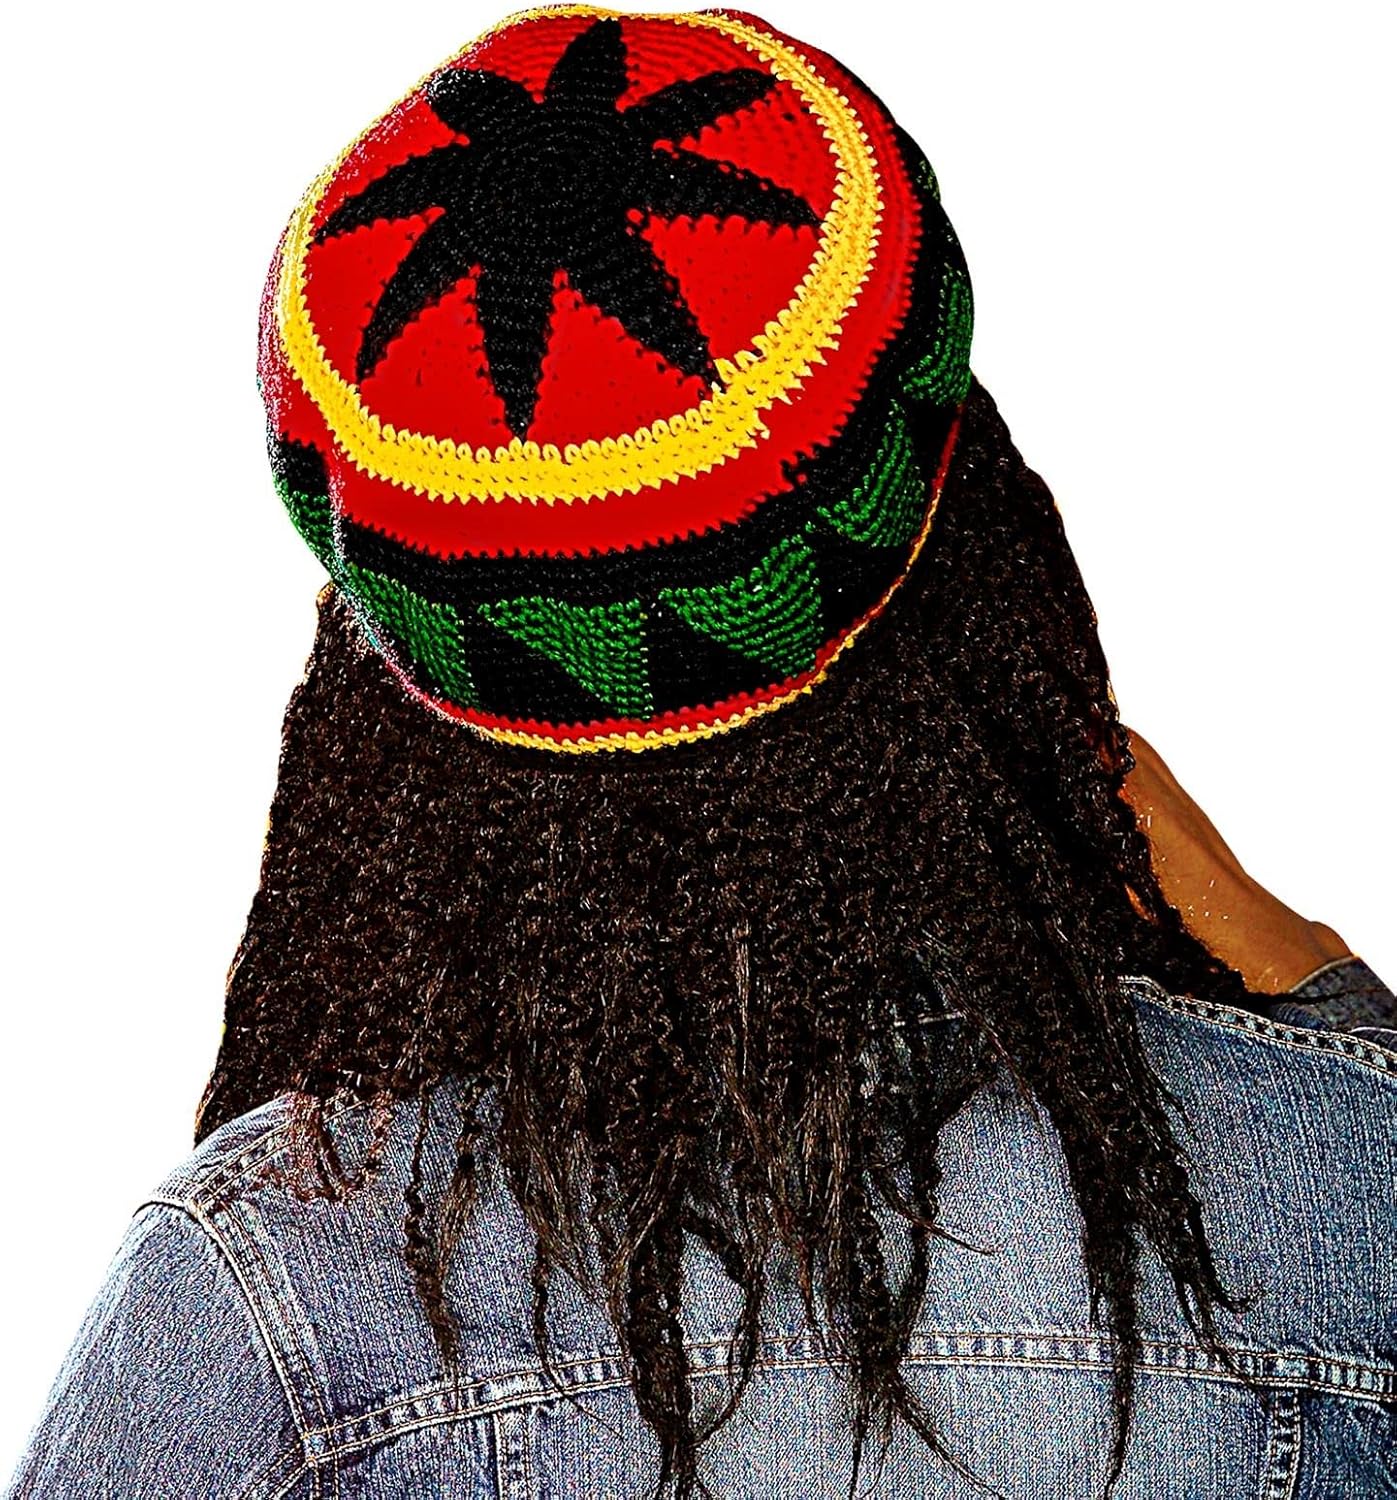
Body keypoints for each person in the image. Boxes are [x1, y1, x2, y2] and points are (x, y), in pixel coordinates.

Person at [6, 9, 1393, 1498]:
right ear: (981, 533)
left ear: (386, 679)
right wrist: (1344, 1025)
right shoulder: (1349, 1190)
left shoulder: (269, 1294)